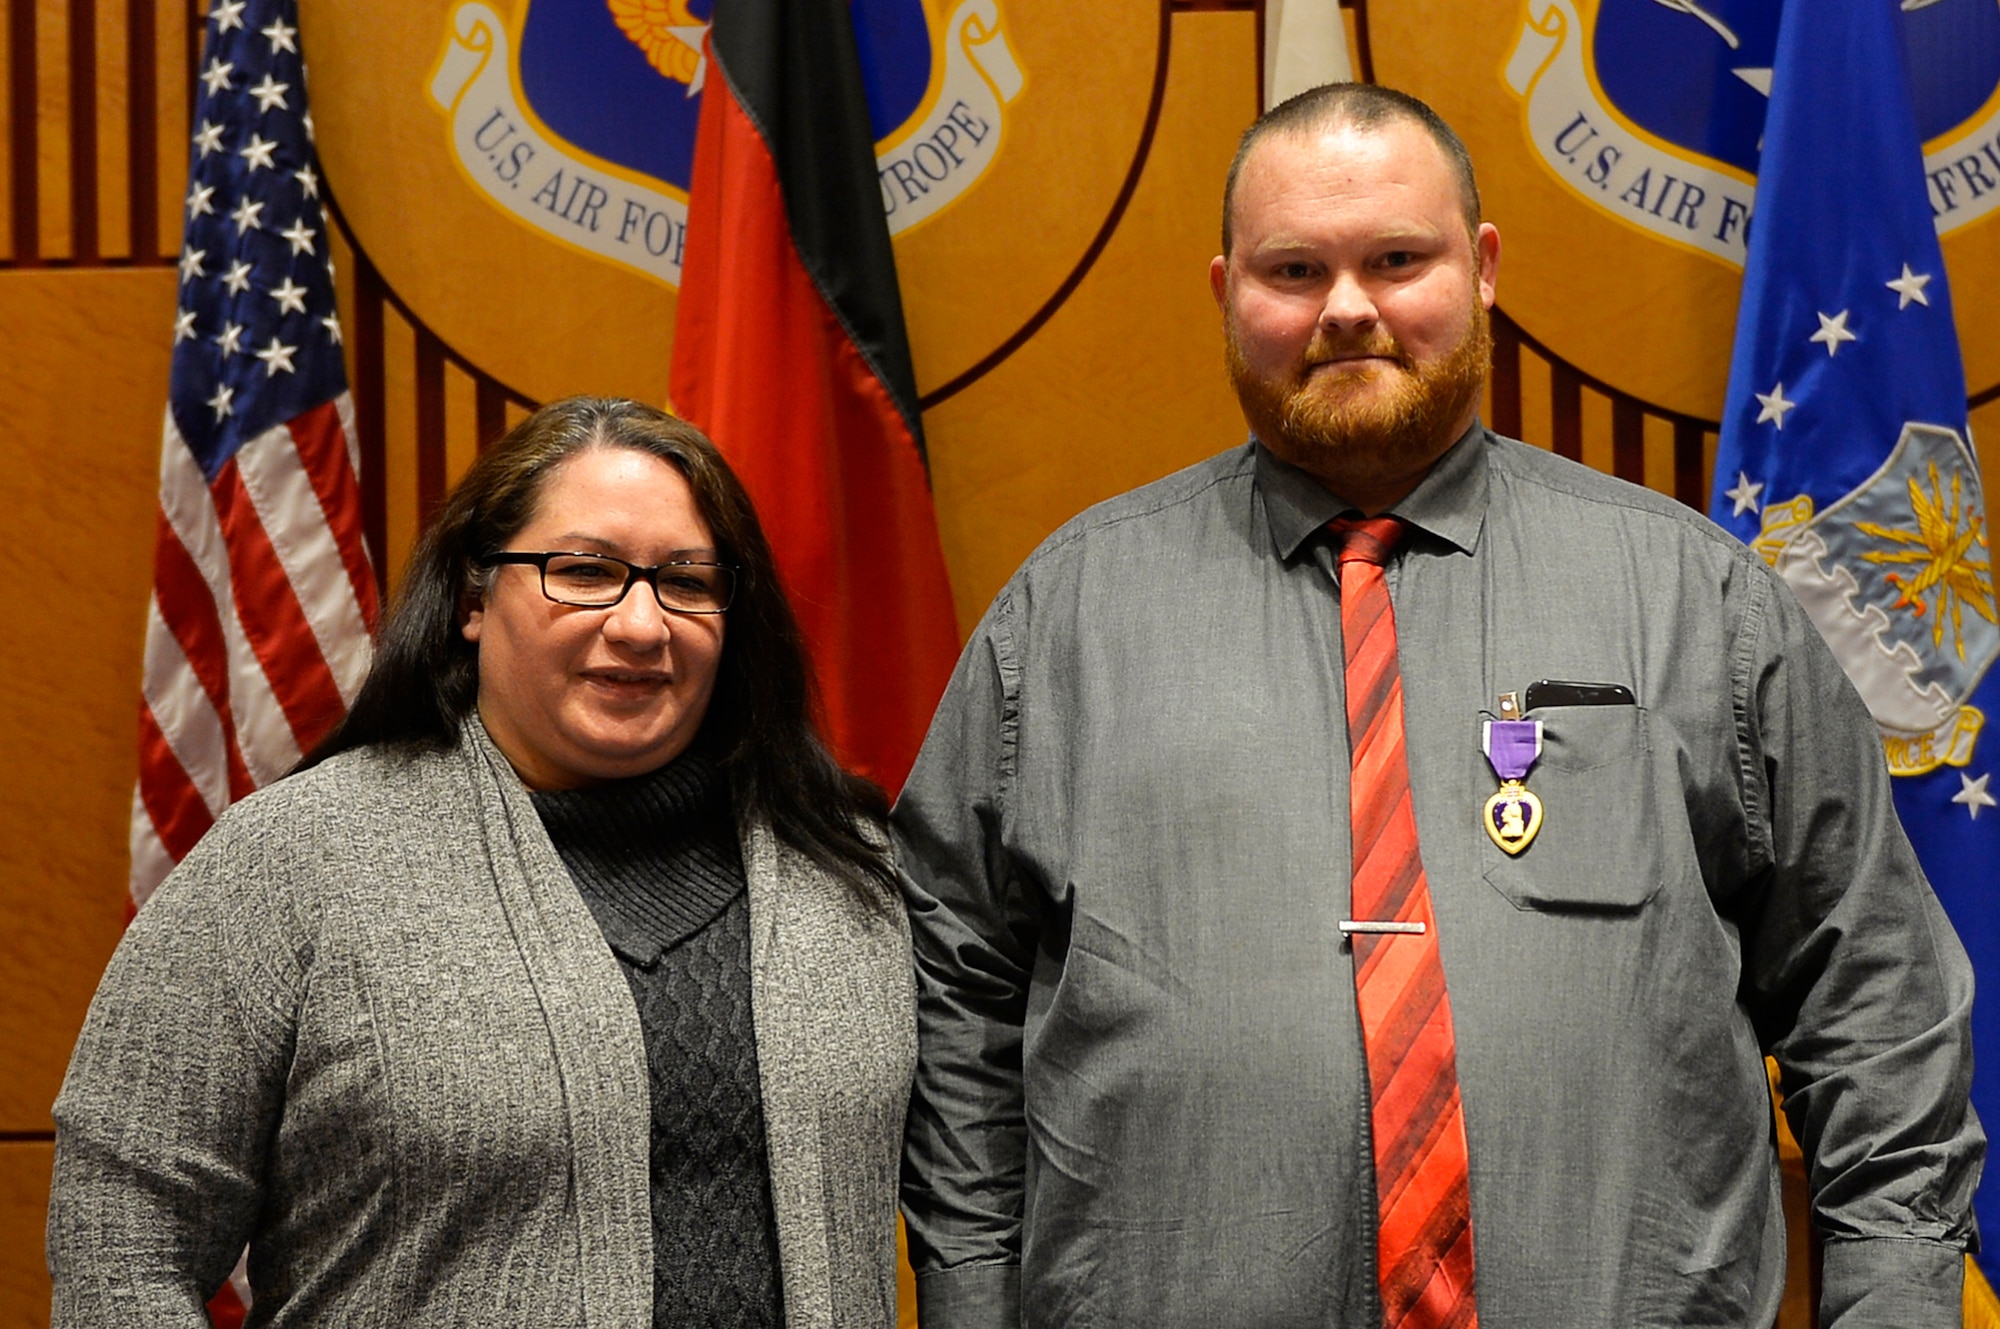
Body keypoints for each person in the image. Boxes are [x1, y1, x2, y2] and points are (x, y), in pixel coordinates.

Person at [893, 84, 1982, 1328]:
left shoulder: (1698, 602)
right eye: (1293, 268)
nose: (1345, 308)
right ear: (1224, 294)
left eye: (1396, 259)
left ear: (1482, 269)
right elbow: (951, 1011)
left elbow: (1876, 1009)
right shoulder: (1065, 620)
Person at [50, 397, 914, 1327]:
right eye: (584, 571)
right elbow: (123, 1234)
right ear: (472, 598)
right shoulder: (293, 862)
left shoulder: (853, 870)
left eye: (688, 582)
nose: (641, 623)